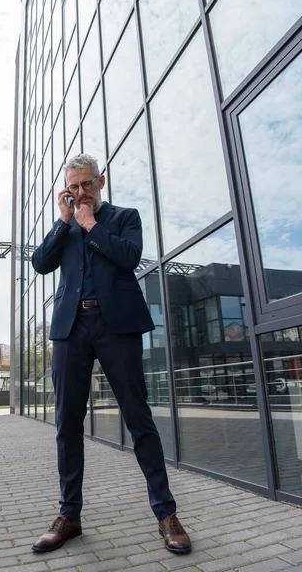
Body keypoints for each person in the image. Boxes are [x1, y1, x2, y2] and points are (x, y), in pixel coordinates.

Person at [31, 153, 191, 556]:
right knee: (67, 423)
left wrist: (90, 224)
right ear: (67, 190)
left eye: (87, 184)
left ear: (100, 182)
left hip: (116, 326)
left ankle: (166, 514)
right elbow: (39, 263)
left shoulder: (125, 217)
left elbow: (130, 257)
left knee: (139, 419)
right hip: (71, 330)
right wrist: (65, 221)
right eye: (73, 187)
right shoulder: (64, 226)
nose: (81, 192)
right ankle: (70, 515)